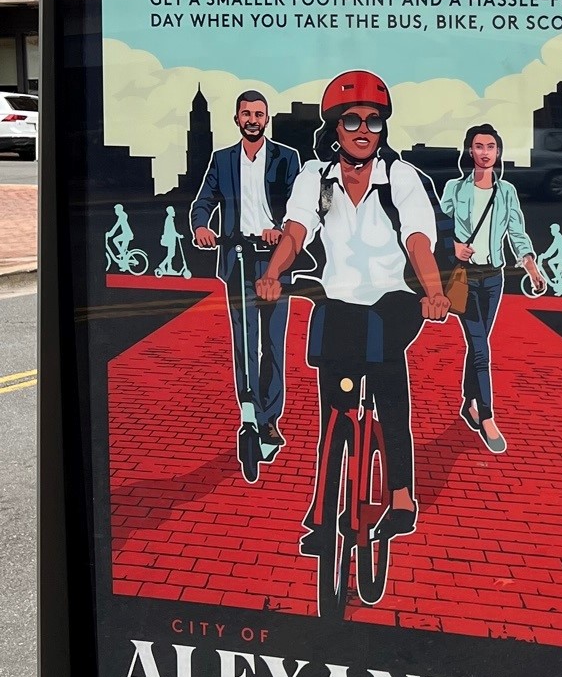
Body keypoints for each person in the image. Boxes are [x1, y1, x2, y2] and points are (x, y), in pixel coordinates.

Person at [256, 71, 449, 550]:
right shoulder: (315, 178)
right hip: (337, 297)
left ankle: (401, 498)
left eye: (374, 121)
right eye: (352, 120)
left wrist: (434, 292)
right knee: (335, 411)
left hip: (394, 299)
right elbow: (297, 231)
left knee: (388, 393)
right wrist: (273, 274)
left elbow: (419, 241)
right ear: (334, 127)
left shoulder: (400, 178)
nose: (364, 130)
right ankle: (323, 517)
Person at [192, 90, 302, 473]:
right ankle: (249, 409)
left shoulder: (287, 158)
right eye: (246, 114)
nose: (253, 119)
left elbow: (297, 204)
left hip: (274, 257)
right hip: (236, 257)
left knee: (272, 340)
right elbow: (203, 200)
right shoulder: (222, 160)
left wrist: (280, 228)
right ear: (236, 119)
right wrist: (202, 226)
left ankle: (270, 416)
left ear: (266, 119)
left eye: (259, 114)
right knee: (244, 340)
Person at [439, 124, 544, 455]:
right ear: (469, 151)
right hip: (464, 278)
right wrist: (453, 246)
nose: (485, 152)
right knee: (481, 348)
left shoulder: (506, 192)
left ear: (498, 153)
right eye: (478, 146)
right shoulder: (455, 189)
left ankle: (468, 403)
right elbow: (437, 228)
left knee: (479, 344)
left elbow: (517, 231)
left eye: (491, 147)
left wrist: (530, 266)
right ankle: (486, 416)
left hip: (494, 278)